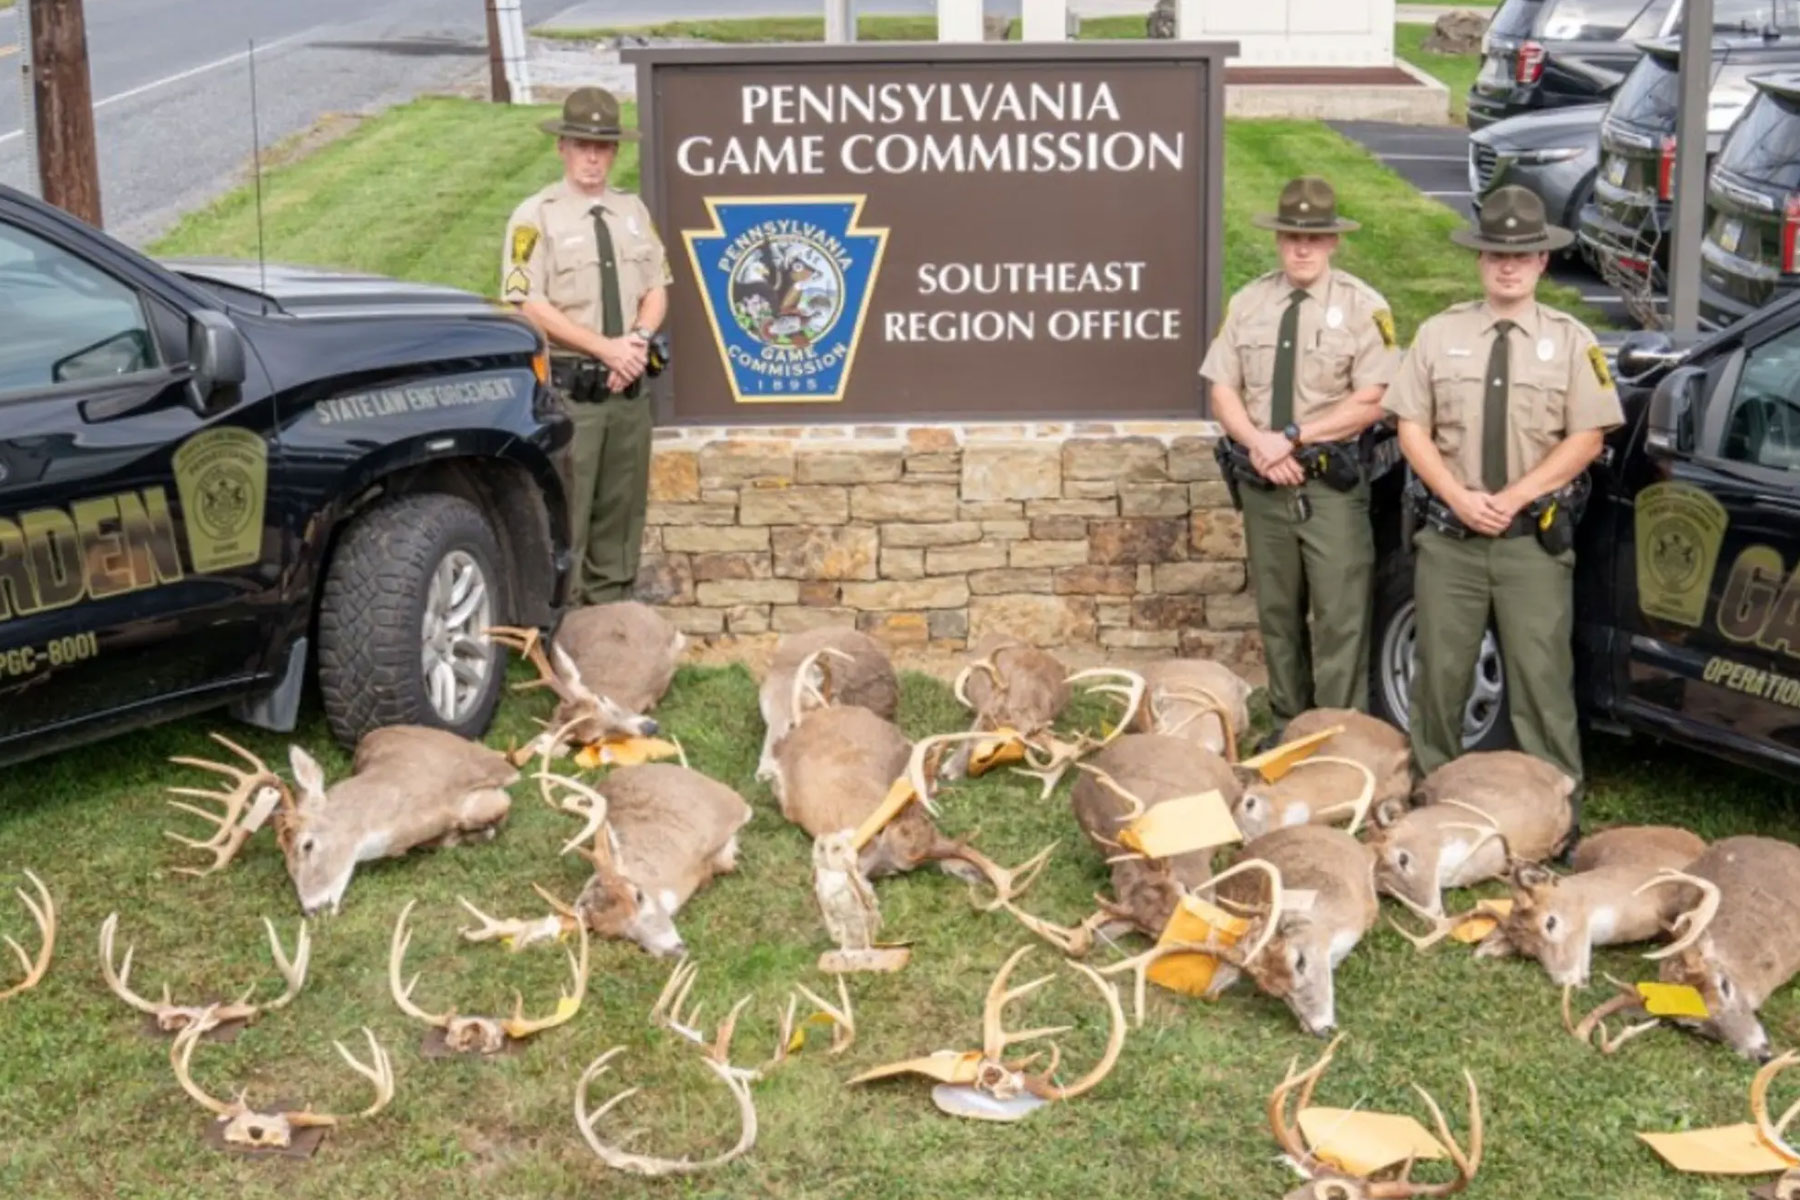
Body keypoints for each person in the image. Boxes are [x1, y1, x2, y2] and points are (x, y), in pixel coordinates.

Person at [1382, 184, 1623, 790]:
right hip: (1451, 538)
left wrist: (1514, 498)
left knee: (1541, 680)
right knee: (1439, 676)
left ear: (1543, 260)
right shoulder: (1439, 335)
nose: (1509, 265)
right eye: (1497, 254)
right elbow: (1411, 428)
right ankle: (1431, 800)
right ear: (1480, 260)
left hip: (1530, 544)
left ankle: (1553, 811)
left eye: (1523, 254)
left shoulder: (1573, 341)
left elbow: (1588, 438)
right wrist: (1457, 496)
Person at [1200, 176, 1398, 736]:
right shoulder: (1250, 302)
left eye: (1314, 237)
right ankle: (1289, 725)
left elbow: (1374, 400)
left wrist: (1292, 437)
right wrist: (1259, 444)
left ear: (1333, 242)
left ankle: (1338, 735)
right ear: (1278, 239)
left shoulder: (1365, 308)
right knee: (1278, 617)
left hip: (1327, 487)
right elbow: (1222, 388)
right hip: (1265, 484)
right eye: (1292, 236)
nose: (1302, 248)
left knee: (1340, 618)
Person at [502, 86, 670, 605]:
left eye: (602, 146)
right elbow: (526, 303)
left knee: (622, 510)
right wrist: (605, 348)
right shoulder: (535, 217)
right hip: (576, 392)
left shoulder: (632, 212)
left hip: (629, 388)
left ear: (615, 152)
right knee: (568, 510)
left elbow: (656, 288)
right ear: (563, 148)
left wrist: (636, 344)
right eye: (581, 144)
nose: (592, 157)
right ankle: (566, 625)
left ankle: (614, 616)